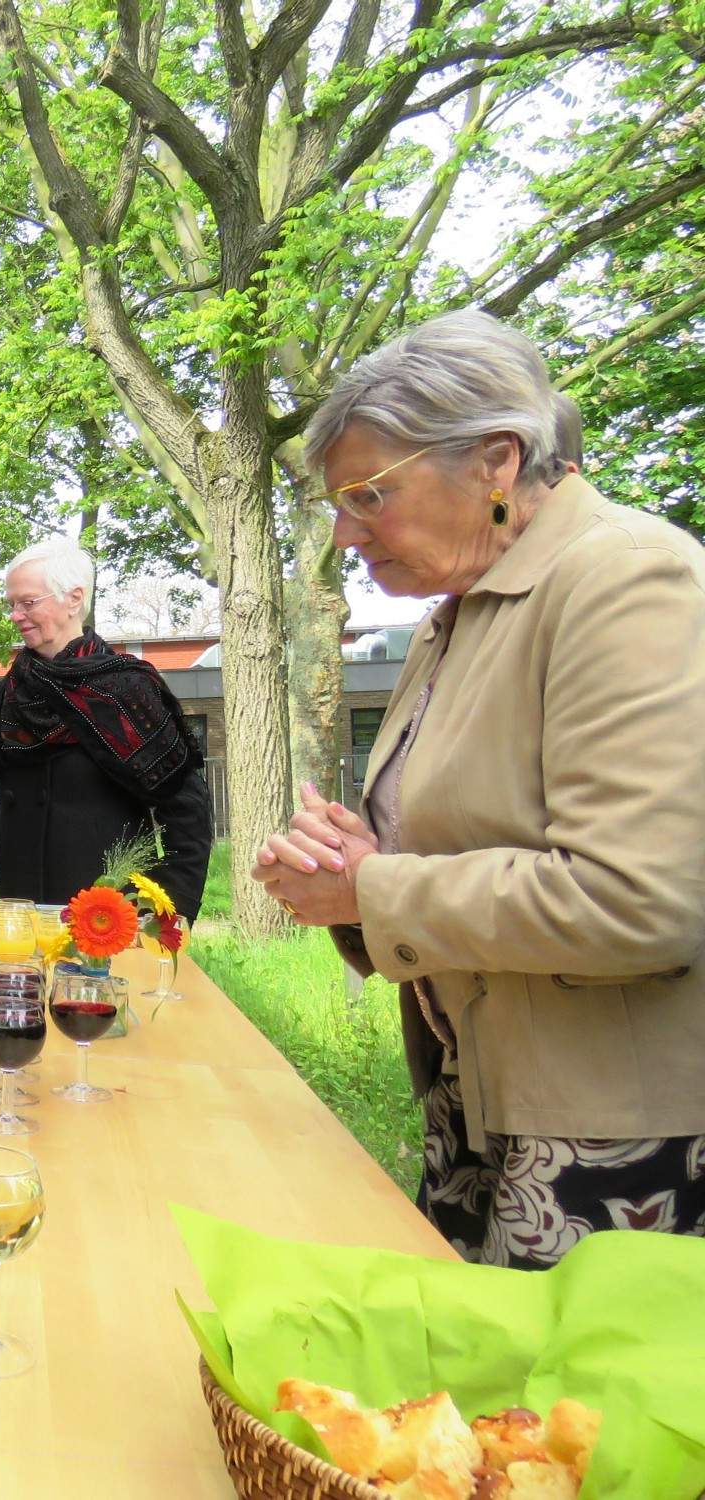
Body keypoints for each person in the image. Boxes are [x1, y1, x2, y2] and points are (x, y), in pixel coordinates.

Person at [251, 307, 705, 1268]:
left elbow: (639, 901)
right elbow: (451, 845)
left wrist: (371, 889)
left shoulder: (629, 583)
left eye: (367, 495)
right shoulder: (458, 609)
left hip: (607, 1134)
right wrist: (345, 866)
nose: (343, 534)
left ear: (495, 460)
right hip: (480, 1097)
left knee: (560, 1413)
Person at [0, 537, 212, 918]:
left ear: (74, 599)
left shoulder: (128, 690)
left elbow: (186, 809)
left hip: (107, 917)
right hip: (20, 910)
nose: (15, 615)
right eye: (11, 605)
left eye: (28, 602)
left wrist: (166, 909)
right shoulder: (12, 688)